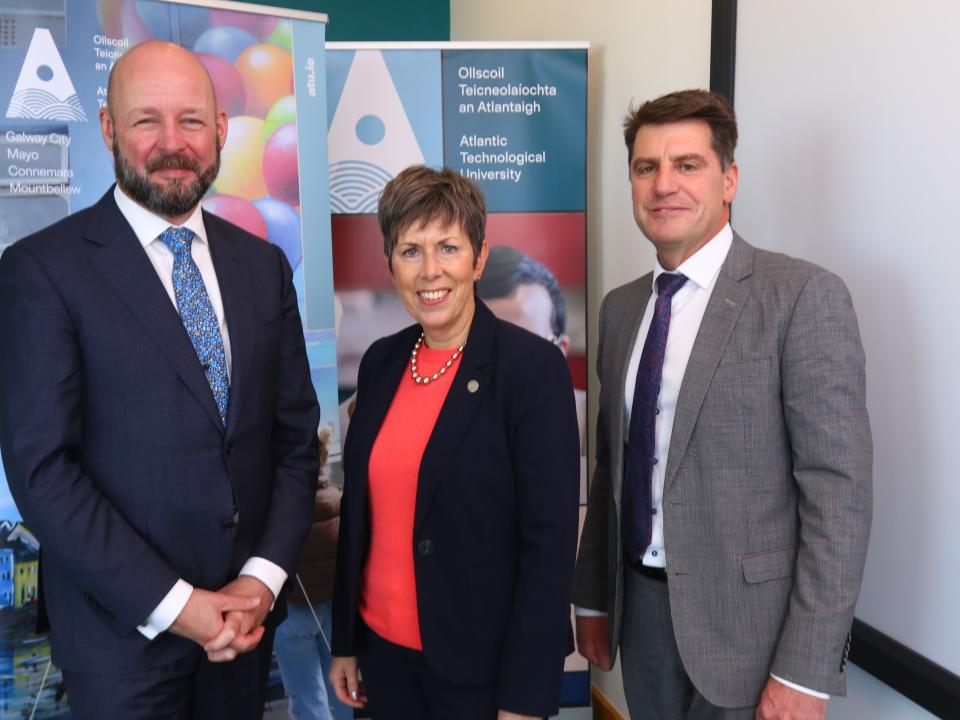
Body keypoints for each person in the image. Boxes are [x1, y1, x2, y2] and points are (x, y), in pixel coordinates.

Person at [0, 41, 320, 719]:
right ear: (109, 128)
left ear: (223, 130)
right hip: (121, 646)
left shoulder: (264, 268)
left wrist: (260, 582)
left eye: (192, 121)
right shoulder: (43, 271)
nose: (172, 144)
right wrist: (181, 608)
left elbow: (292, 442)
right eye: (146, 120)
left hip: (245, 632)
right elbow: (43, 470)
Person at [573, 89, 872, 720]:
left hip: (755, 637)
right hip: (644, 619)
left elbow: (838, 499)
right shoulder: (622, 309)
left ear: (729, 178)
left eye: (687, 165)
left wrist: (806, 668)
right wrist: (595, 598)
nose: (663, 185)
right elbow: (613, 466)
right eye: (646, 167)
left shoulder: (802, 297)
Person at [329, 166, 580, 720]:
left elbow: (550, 545)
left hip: (481, 671)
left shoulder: (531, 369)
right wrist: (345, 639)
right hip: (383, 657)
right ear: (390, 262)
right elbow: (359, 511)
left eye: (448, 247)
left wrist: (526, 697)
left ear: (479, 258)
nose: (430, 270)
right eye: (410, 250)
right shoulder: (380, 362)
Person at [477, 245, 587, 458]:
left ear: (561, 351)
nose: (506, 364)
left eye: (530, 347)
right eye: (488, 345)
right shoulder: (436, 422)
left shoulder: (593, 423)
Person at [274, 428, 352, 720]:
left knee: (308, 700)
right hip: (333, 612)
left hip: (292, 613)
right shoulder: (338, 498)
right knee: (342, 690)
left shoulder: (279, 507)